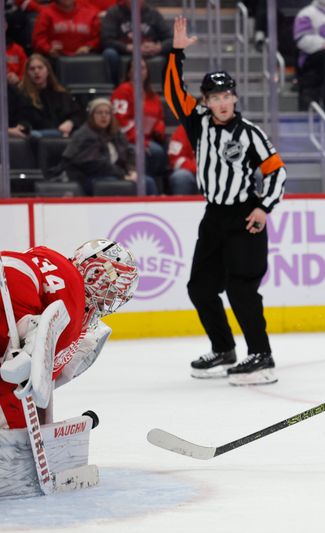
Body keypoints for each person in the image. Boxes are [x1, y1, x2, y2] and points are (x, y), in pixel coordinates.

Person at [165, 17, 287, 386]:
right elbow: (172, 92)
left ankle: (261, 355)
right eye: (214, 97)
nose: (221, 102)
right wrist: (176, 52)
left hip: (244, 217)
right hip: (214, 217)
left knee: (240, 288)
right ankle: (224, 349)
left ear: (235, 97)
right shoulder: (198, 122)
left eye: (226, 96)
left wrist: (263, 207)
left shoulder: (251, 134)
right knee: (200, 288)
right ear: (206, 101)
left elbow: (277, 172)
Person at [1, 240, 139, 430]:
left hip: (8, 277)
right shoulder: (73, 297)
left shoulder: (47, 254)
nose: (109, 302)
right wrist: (42, 427)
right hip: (12, 297)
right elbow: (42, 380)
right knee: (15, 425)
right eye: (111, 291)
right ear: (94, 273)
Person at [60, 98, 157, 196]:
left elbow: (128, 153)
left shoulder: (116, 133)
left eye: (107, 113)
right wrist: (123, 175)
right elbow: (96, 164)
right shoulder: (84, 135)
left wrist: (132, 171)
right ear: (92, 115)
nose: (104, 116)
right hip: (88, 177)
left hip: (114, 175)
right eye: (99, 112)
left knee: (148, 182)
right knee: (113, 184)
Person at [111, 59, 167, 191]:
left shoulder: (152, 95)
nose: (139, 71)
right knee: (155, 151)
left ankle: (155, 187)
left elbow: (160, 119)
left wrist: (158, 130)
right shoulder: (123, 91)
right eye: (135, 68)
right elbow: (120, 121)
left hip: (149, 139)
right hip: (128, 140)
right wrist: (140, 140)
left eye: (143, 68)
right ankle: (145, 187)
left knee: (160, 151)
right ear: (129, 72)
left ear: (147, 72)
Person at [100, 0, 172, 85]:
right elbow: (107, 40)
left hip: (148, 51)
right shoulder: (113, 13)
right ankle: (116, 87)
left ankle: (169, 86)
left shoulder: (153, 14)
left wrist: (158, 47)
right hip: (124, 52)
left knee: (173, 50)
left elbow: (171, 39)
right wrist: (128, 47)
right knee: (109, 53)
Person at [17, 54, 84, 140]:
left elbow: (78, 114)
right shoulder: (21, 95)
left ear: (47, 70)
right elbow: (22, 121)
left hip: (61, 135)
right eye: (32, 69)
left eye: (40, 68)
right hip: (35, 139)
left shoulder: (61, 94)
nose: (36, 71)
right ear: (27, 73)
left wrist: (70, 122)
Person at [32, 0, 101, 60]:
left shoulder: (90, 12)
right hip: (54, 58)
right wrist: (48, 49)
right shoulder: (46, 13)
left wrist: (88, 47)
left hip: (84, 57)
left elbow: (97, 37)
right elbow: (38, 38)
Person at [166, 124, 198, 195]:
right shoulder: (184, 129)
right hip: (193, 173)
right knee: (181, 177)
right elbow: (176, 159)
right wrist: (199, 168)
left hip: (218, 173)